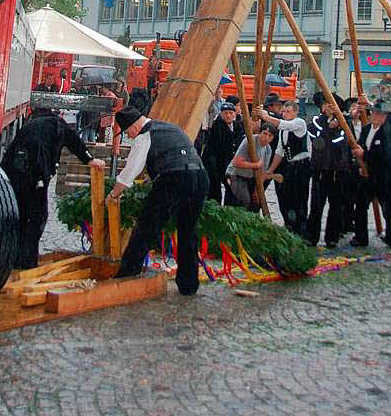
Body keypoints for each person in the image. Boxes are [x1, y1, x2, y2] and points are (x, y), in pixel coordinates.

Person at [110, 105, 208, 296]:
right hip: (200, 176)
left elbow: (132, 170)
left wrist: (114, 193)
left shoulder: (144, 136)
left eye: (127, 133)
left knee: (146, 226)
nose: (129, 137)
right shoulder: (171, 128)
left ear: (133, 127)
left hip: (174, 178)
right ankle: (188, 285)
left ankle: (127, 274)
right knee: (188, 231)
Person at [2, 104, 105, 269]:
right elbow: (74, 142)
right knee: (37, 217)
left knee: (20, 215)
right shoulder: (58, 125)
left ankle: (13, 258)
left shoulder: (32, 126)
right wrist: (90, 160)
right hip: (33, 174)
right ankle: (27, 262)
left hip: (14, 172)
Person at [352, 100, 391, 248]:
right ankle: (361, 237)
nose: (375, 116)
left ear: (384, 116)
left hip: (385, 176)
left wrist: (365, 154)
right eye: (374, 113)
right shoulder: (367, 129)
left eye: (379, 113)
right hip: (368, 175)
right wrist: (358, 156)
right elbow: (360, 144)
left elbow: (386, 155)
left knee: (389, 208)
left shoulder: (389, 132)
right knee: (361, 206)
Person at [307, 92, 355, 247]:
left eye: (330, 104)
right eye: (325, 104)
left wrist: (338, 126)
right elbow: (317, 139)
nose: (327, 107)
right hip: (320, 169)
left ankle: (332, 237)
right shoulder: (316, 121)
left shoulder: (345, 125)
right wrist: (330, 126)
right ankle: (312, 236)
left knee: (336, 206)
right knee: (316, 205)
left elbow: (341, 142)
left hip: (338, 170)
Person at [259, 99, 310, 238]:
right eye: (284, 112)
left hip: (301, 166)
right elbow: (279, 153)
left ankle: (302, 232)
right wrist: (270, 170)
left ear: (295, 112)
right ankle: (290, 227)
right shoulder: (283, 131)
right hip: (290, 166)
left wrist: (266, 117)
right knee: (286, 198)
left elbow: (285, 124)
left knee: (300, 200)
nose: (285, 114)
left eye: (288, 112)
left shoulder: (299, 123)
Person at [225, 125, 277, 209]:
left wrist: (257, 191)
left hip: (249, 178)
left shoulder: (268, 150)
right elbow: (236, 162)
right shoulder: (250, 141)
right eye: (264, 133)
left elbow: (261, 173)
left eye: (270, 136)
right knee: (244, 200)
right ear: (260, 133)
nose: (266, 138)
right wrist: (256, 165)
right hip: (235, 174)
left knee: (255, 204)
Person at [202, 101, 244, 203]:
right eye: (226, 113)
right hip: (215, 162)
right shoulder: (218, 125)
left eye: (230, 113)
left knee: (231, 188)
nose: (228, 115)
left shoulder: (237, 125)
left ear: (234, 114)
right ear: (221, 114)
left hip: (228, 162)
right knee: (215, 190)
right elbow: (224, 143)